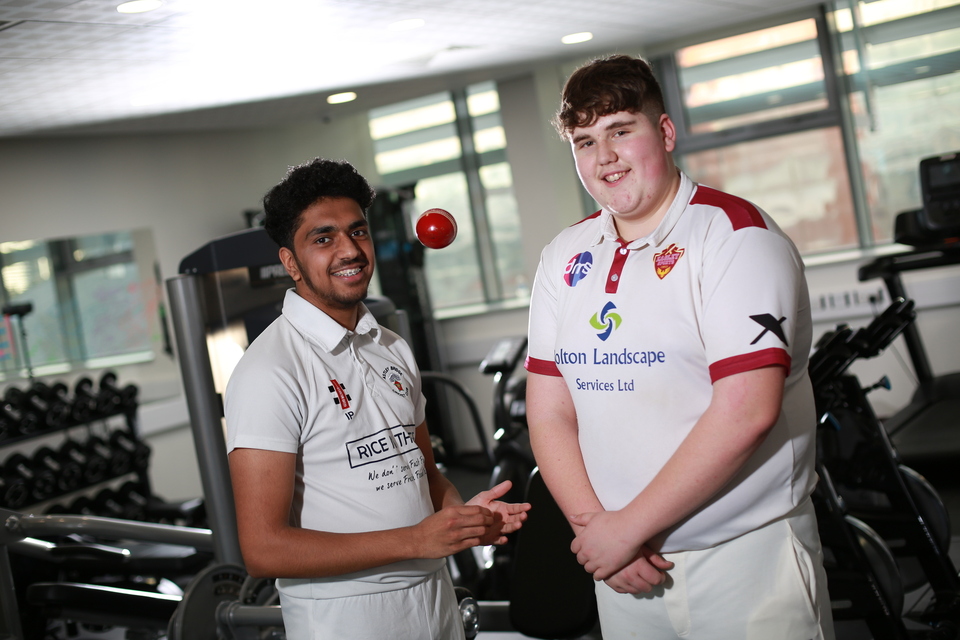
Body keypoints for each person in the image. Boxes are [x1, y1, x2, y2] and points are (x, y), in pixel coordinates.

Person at [524, 54, 834, 639]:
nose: (605, 156)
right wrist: (598, 529)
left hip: (743, 561)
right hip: (620, 569)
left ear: (664, 132)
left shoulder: (736, 237)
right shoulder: (563, 256)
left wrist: (622, 530)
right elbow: (550, 409)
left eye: (621, 130)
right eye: (586, 142)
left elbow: (746, 409)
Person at [224, 158, 529, 639]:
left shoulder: (390, 345)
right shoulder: (269, 371)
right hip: (348, 616)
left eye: (357, 232)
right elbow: (263, 548)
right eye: (323, 239)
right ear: (290, 262)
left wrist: (462, 519)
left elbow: (423, 473)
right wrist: (416, 539)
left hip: (434, 595)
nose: (349, 250)